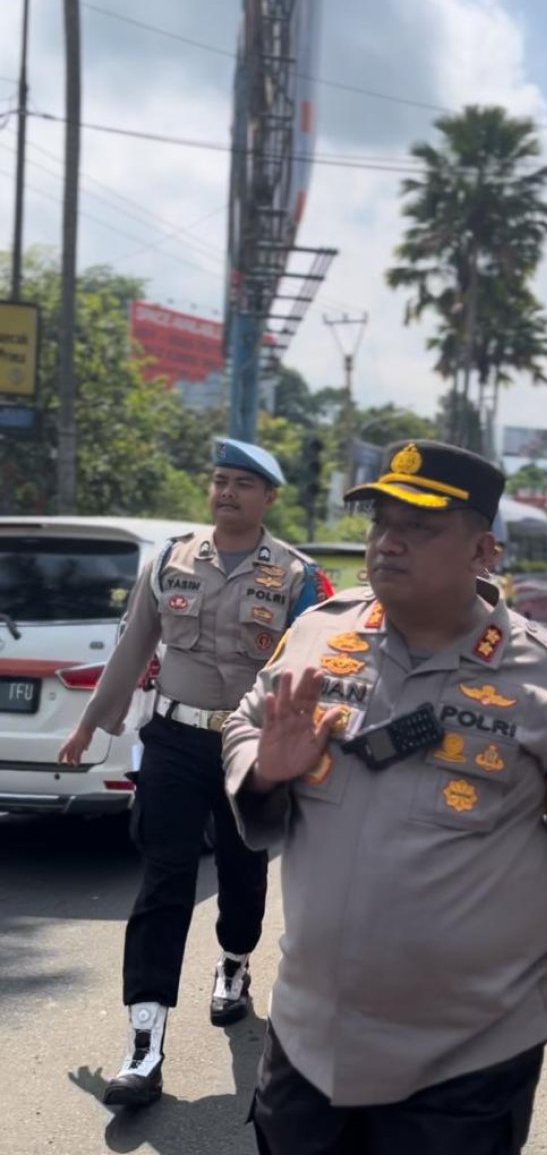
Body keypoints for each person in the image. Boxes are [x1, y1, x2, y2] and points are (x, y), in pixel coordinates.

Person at [222, 440, 547, 1155]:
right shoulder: (316, 634)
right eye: (381, 523)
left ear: (484, 550)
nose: (389, 542)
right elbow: (242, 724)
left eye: (420, 527)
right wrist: (263, 767)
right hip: (307, 1035)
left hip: (468, 1055)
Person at [58, 437, 332, 1109]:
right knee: (164, 878)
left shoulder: (299, 577)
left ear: (269, 497)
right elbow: (132, 649)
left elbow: (323, 670)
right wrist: (93, 722)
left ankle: (235, 963)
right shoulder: (170, 560)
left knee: (243, 872)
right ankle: (144, 1042)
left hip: (250, 746)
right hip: (175, 739)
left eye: (243, 483)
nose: (227, 492)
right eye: (218, 480)